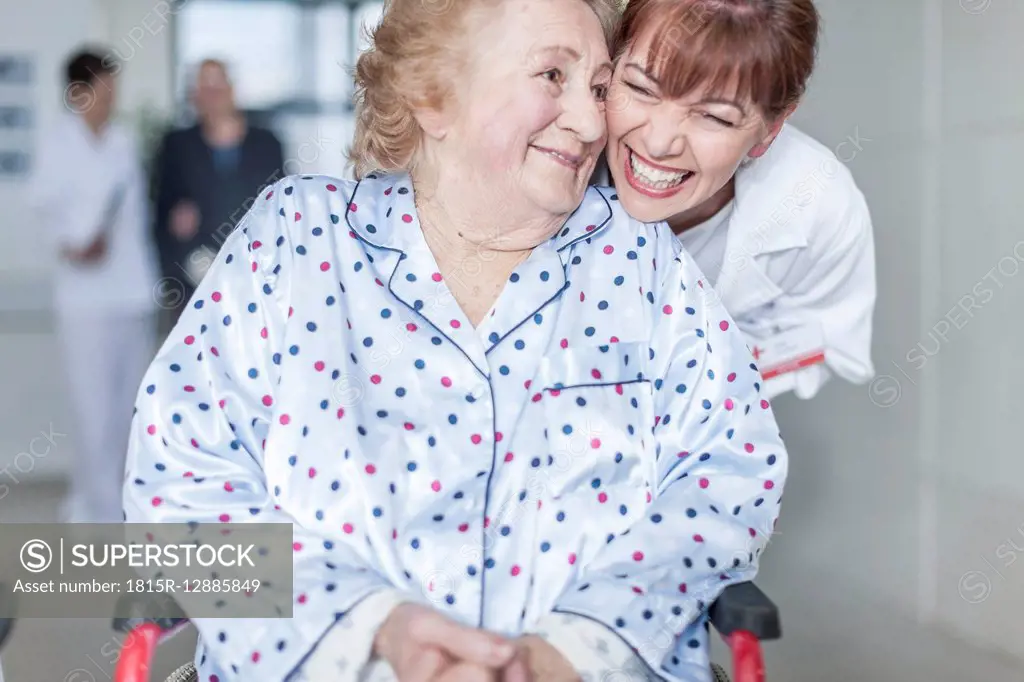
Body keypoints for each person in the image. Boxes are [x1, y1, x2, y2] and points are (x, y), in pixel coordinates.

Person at [123, 1, 788, 681]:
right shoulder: (293, 237)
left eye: (598, 87)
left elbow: (726, 476)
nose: (593, 123)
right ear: (432, 96)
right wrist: (377, 631)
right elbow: (183, 482)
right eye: (551, 76)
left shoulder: (642, 263)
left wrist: (578, 645)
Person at [600, 0, 876, 400]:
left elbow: (827, 339)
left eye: (714, 117)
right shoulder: (551, 154)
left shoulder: (818, 206)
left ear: (770, 129)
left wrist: (710, 370)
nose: (659, 143)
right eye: (641, 88)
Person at [27, 48, 159, 524]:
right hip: (84, 300)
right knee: (93, 412)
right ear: (79, 92)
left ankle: (114, 506)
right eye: (105, 88)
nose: (112, 97)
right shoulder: (58, 143)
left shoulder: (122, 140)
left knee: (129, 409)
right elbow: (45, 212)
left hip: (130, 291)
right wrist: (72, 245)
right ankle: (99, 515)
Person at [151, 58, 284, 332]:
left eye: (217, 85)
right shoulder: (176, 146)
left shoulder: (266, 144)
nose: (212, 95)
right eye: (204, 87)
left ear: (232, 89)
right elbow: (159, 213)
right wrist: (175, 224)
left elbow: (279, 209)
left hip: (254, 278)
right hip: (194, 280)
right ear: (193, 95)